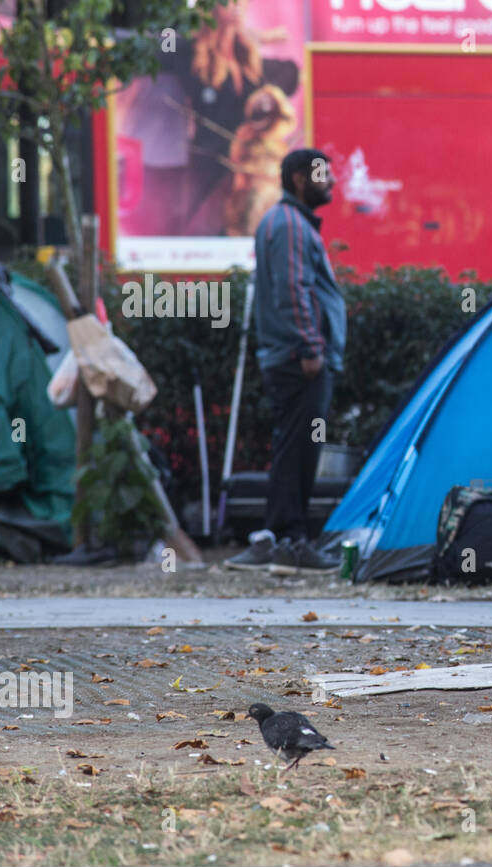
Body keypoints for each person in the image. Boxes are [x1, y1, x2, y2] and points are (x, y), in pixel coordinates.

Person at [226, 148, 345, 574]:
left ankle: (277, 538)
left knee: (292, 446)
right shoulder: (291, 225)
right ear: (299, 178)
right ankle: (293, 541)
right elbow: (293, 291)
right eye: (323, 175)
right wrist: (311, 348)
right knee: (301, 449)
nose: (331, 182)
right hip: (301, 361)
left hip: (291, 357)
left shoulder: (285, 222)